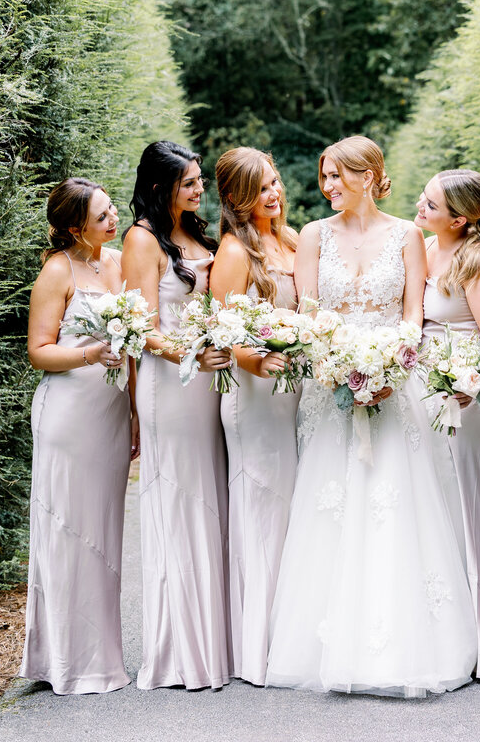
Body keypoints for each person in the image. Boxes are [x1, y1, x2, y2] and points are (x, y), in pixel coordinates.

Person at [266, 136, 476, 697]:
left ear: (368, 174)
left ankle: (404, 648)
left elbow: (413, 316)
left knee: (395, 504)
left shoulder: (407, 234)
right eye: (324, 179)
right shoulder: (313, 236)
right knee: (332, 504)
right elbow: (309, 316)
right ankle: (327, 646)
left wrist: (387, 370)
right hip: (330, 387)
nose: (328, 188)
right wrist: (337, 368)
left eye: (337, 177)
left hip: (394, 387)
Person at [121, 140, 230, 691]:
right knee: (180, 498)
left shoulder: (196, 235)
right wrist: (189, 352)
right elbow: (141, 328)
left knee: (211, 495)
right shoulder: (141, 241)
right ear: (161, 187)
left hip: (209, 381)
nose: (199, 189)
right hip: (172, 383)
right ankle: (182, 649)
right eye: (189, 183)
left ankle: (217, 637)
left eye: (199, 181)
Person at [20, 177, 135, 695]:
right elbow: (40, 351)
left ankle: (103, 658)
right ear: (75, 227)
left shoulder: (115, 265)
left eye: (113, 210)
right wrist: (91, 353)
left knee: (104, 535)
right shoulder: (56, 271)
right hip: (68, 414)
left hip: (109, 414)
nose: (114, 220)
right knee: (68, 532)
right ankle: (64, 660)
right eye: (103, 216)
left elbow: (132, 345)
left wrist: (134, 412)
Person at [416, 168, 480, 678]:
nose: (421, 205)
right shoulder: (426, 250)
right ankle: (446, 626)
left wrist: (467, 380)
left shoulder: (477, 263)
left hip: (472, 399)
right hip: (429, 394)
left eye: (431, 203)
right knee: (440, 505)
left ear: (458, 219)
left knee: (473, 505)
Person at [212, 147, 299, 686]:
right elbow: (225, 332)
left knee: (292, 510)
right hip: (254, 394)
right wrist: (259, 359)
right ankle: (256, 646)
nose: (275, 193)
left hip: (292, 392)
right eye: (262, 188)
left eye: (275, 181)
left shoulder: (288, 241)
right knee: (261, 509)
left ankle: (288, 633)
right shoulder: (234, 252)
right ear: (239, 199)